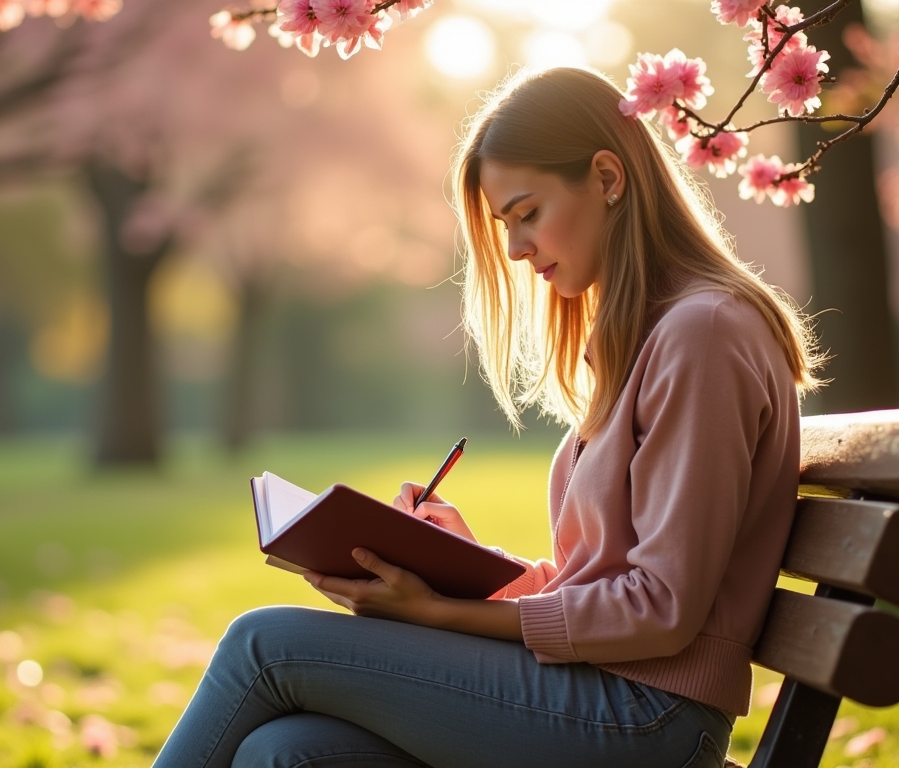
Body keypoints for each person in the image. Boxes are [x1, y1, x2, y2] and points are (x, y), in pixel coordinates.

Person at [151, 66, 821, 768]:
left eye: (527, 212)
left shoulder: (704, 334)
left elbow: (660, 609)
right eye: (506, 224)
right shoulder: (655, 338)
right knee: (283, 752)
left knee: (264, 647)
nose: (516, 248)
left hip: (647, 721)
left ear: (608, 178)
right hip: (606, 694)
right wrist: (477, 574)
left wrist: (440, 613)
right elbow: (604, 588)